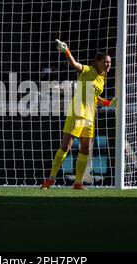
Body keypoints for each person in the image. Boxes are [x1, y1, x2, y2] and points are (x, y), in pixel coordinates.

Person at [41, 40, 116, 190]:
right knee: (65, 147)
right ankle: (49, 180)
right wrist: (66, 51)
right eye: (105, 62)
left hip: (89, 117)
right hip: (77, 113)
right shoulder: (88, 70)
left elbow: (94, 98)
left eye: (110, 62)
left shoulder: (102, 78)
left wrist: (108, 103)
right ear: (97, 62)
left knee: (85, 150)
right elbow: (75, 65)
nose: (108, 64)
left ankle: (78, 183)